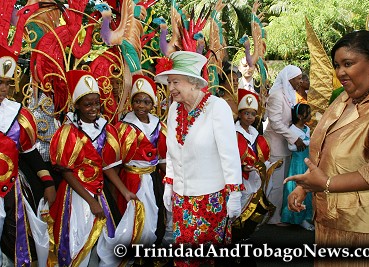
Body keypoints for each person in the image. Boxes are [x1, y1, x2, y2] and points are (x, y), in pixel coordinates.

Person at [285, 30, 369, 266]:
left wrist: (327, 185)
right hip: (330, 223)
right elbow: (324, 149)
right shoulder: (345, 98)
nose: (340, 73)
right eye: (337, 65)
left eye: (348, 64)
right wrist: (305, 187)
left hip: (367, 231)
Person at [154, 51, 243, 266]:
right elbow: (172, 151)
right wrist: (169, 184)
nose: (171, 88)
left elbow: (229, 154)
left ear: (194, 83)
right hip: (182, 199)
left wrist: (234, 193)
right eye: (169, 82)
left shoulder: (217, 107)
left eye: (176, 82)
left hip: (210, 200)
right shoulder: (175, 109)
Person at [48, 70, 137, 266]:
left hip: (99, 192)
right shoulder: (68, 133)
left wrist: (124, 191)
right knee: (78, 242)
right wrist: (91, 202)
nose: (93, 108)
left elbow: (105, 165)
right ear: (77, 105)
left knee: (103, 241)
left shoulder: (103, 129)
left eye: (97, 103)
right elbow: (67, 172)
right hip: (76, 195)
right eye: (87, 104)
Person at [0, 48, 57, 266]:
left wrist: (48, 181)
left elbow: (30, 152)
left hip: (11, 189)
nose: (4, 89)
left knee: (13, 240)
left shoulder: (18, 114)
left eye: (7, 82)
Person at [115, 74, 167, 246]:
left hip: (153, 179)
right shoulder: (123, 127)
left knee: (155, 217)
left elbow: (161, 158)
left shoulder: (158, 126)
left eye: (146, 101)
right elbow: (115, 162)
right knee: (133, 222)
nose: (141, 106)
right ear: (131, 102)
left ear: (152, 104)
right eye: (137, 101)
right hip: (131, 180)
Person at [264, 64, 305, 226]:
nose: (301, 82)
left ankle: (278, 214)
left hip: (285, 146)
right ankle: (272, 218)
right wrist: (294, 138)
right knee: (276, 183)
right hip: (275, 146)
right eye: (298, 78)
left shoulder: (289, 94)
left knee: (282, 183)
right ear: (289, 78)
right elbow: (275, 123)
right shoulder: (276, 95)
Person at [233, 88, 273, 241]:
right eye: (246, 113)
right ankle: (235, 236)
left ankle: (244, 234)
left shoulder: (255, 133)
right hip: (240, 178)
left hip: (254, 177)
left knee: (253, 206)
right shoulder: (233, 133)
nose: (249, 117)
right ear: (240, 114)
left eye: (252, 114)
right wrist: (242, 167)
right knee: (238, 207)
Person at [281, 103, 314, 231]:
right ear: (300, 116)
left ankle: (305, 216)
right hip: (297, 163)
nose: (310, 116)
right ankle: (297, 218)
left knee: (307, 189)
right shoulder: (292, 130)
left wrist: (305, 143)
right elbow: (292, 147)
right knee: (297, 188)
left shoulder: (307, 129)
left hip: (306, 161)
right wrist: (306, 143)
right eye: (308, 113)